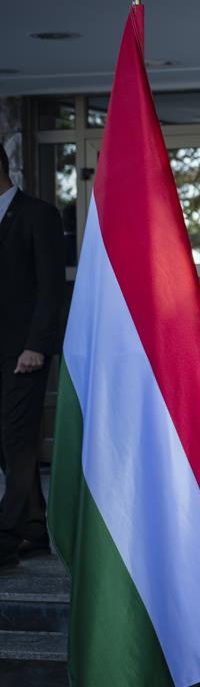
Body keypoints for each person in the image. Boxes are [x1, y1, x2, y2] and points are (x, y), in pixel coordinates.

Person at [0, 141, 65, 571]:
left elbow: (50, 288)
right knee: (6, 448)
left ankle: (5, 539)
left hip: (24, 354)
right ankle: (36, 529)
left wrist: (36, 346)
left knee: (18, 443)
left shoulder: (38, 214)